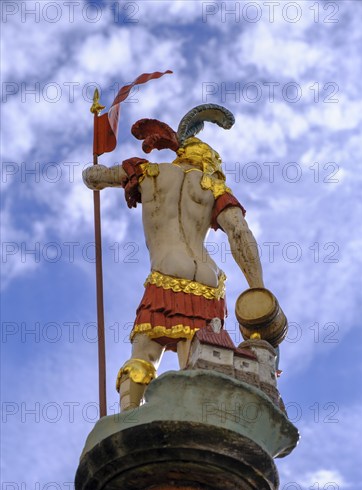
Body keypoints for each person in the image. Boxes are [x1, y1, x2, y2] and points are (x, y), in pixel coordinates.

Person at [83, 105, 264, 410]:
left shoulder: (148, 171)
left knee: (143, 355)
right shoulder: (213, 187)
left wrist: (94, 173)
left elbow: (95, 176)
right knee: (201, 358)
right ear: (208, 159)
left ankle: (128, 418)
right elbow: (240, 233)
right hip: (209, 281)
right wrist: (258, 289)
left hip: (167, 272)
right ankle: (199, 419)